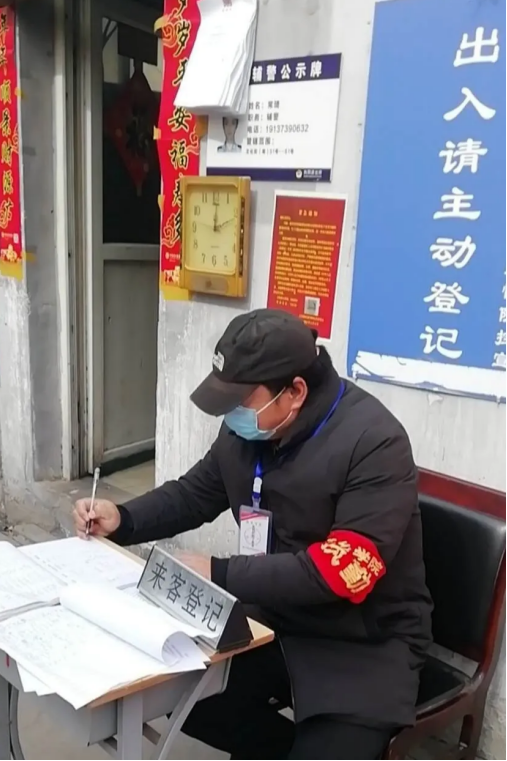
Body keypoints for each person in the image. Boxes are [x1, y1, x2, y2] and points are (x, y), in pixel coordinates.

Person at [74, 309, 433, 761]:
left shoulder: (374, 442)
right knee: (181, 699)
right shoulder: (248, 429)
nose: (232, 414)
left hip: (360, 643)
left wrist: (219, 573)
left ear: (295, 392)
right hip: (272, 619)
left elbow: (341, 572)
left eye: (241, 400)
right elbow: (195, 493)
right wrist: (124, 519)